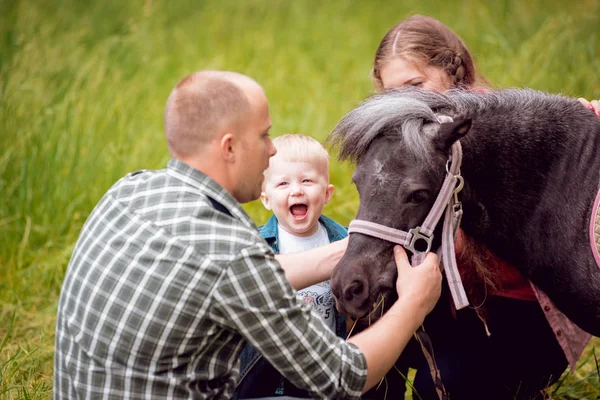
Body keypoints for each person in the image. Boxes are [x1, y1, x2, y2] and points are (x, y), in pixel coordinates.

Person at [53, 70, 442, 399]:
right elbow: (342, 376)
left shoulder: (131, 189)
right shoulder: (231, 251)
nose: (273, 151)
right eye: (264, 136)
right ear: (229, 147)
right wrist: (414, 302)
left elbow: (229, 275)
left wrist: (349, 248)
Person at [365, 15, 597, 400]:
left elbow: (570, 138)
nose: (407, 102)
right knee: (366, 336)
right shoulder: (410, 141)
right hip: (457, 303)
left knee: (441, 385)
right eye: (393, 95)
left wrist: (587, 120)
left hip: (527, 312)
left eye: (416, 85)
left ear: (451, 71)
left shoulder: (507, 130)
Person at [234, 134, 349, 399]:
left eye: (307, 181)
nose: (296, 190)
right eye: (283, 183)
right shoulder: (256, 247)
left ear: (327, 193)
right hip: (272, 376)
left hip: (325, 367)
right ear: (266, 199)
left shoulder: (342, 242)